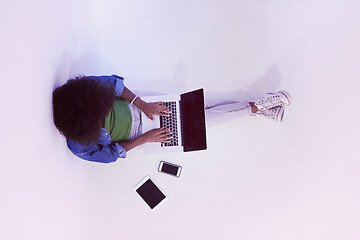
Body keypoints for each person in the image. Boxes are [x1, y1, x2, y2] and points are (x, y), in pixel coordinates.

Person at [52, 74, 292, 163]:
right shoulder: (78, 146)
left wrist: (143, 104)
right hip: (144, 134)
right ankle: (259, 107)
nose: (105, 117)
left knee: (204, 103)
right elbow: (113, 153)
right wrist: (146, 138)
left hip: (143, 106)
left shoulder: (80, 93)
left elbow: (113, 85)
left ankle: (260, 108)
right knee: (204, 122)